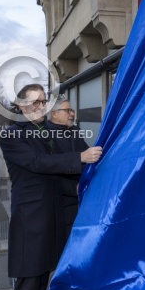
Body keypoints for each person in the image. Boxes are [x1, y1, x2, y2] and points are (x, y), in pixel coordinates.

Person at [0, 84, 103, 290]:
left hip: (54, 221)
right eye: (35, 102)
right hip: (32, 224)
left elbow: (65, 158)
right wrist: (79, 157)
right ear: (21, 106)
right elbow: (39, 162)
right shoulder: (11, 136)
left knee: (42, 289)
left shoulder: (48, 132)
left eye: (44, 101)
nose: (41, 106)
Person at [46, 97, 89, 240]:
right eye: (67, 110)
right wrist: (73, 188)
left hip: (78, 197)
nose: (72, 114)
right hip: (59, 201)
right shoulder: (45, 136)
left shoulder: (74, 131)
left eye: (72, 110)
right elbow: (49, 170)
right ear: (54, 114)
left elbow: (86, 155)